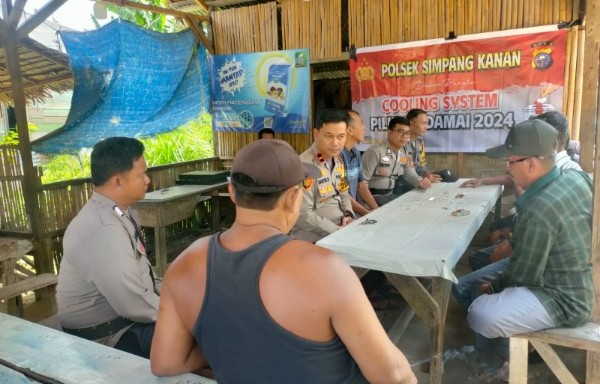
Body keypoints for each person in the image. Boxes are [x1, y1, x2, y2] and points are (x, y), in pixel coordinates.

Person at [150, 139, 417, 384]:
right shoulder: (325, 269)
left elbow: (165, 362)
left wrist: (229, 342)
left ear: (232, 192)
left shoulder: (185, 264)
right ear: (292, 198)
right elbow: (393, 375)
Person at [465, 119, 593, 368]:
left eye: (510, 161)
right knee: (480, 280)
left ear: (531, 163)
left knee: (479, 312)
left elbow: (524, 274)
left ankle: (499, 364)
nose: (508, 168)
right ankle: (497, 357)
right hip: (580, 277)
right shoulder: (576, 178)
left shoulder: (538, 208)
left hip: (565, 298)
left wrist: (492, 289)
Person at [56, 137, 158, 358]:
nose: (147, 180)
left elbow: (143, 276)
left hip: (123, 321)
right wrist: (184, 311)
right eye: (141, 175)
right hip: (108, 336)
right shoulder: (103, 228)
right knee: (204, 332)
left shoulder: (119, 212)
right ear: (118, 182)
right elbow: (133, 305)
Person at [290, 109, 355, 242]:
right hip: (315, 237)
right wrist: (336, 231)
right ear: (316, 134)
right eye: (329, 136)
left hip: (341, 227)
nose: (335, 143)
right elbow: (303, 215)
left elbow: (343, 194)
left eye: (341, 136)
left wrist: (349, 214)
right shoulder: (304, 165)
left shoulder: (337, 160)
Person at [361, 116, 431, 206]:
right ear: (389, 133)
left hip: (390, 195)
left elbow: (410, 174)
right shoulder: (375, 152)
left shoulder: (403, 152)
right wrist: (373, 207)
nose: (405, 136)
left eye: (408, 133)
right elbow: (362, 184)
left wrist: (421, 181)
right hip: (373, 198)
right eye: (400, 132)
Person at [340, 110, 378, 216]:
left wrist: (376, 210)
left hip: (353, 212)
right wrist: (365, 212)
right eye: (361, 123)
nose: (364, 127)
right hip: (342, 214)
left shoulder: (356, 152)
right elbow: (342, 194)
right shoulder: (338, 155)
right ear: (350, 130)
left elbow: (361, 185)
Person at [405, 108, 443, 182]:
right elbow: (404, 169)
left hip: (415, 182)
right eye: (423, 123)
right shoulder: (401, 143)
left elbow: (419, 165)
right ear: (411, 124)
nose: (426, 127)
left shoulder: (419, 142)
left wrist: (427, 173)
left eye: (426, 123)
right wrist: (420, 180)